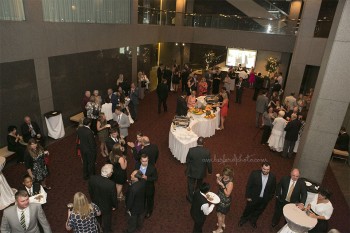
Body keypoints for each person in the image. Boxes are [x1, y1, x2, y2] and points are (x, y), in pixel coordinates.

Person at [239, 162, 276, 229]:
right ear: (261, 168)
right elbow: (249, 185)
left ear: (270, 169)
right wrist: (248, 196)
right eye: (264, 169)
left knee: (259, 211)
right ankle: (243, 219)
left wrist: (268, 199)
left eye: (268, 169)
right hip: (253, 197)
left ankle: (253, 220)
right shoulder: (254, 174)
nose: (266, 171)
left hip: (264, 199)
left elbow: (273, 189)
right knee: (248, 209)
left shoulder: (272, 177)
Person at [88, 164, 117, 233]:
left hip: (95, 203)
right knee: (107, 220)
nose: (112, 172)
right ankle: (107, 231)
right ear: (109, 174)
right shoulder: (111, 184)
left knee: (97, 218)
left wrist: (93, 200)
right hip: (106, 206)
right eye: (112, 172)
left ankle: (98, 228)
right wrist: (114, 205)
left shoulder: (92, 178)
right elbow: (113, 197)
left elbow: (90, 191)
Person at [186, 137, 212, 203]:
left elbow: (187, 161)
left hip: (192, 171)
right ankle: (197, 196)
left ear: (197, 142)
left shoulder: (191, 150)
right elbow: (209, 163)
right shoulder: (207, 152)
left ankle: (190, 198)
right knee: (199, 185)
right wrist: (210, 171)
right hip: (201, 172)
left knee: (191, 185)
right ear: (204, 143)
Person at [213, 167, 234, 233]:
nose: (224, 176)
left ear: (229, 175)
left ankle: (219, 229)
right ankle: (222, 223)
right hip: (220, 197)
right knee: (223, 214)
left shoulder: (230, 183)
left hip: (224, 200)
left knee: (219, 214)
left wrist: (223, 186)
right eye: (224, 174)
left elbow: (227, 194)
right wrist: (218, 178)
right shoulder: (222, 177)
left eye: (226, 175)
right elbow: (217, 182)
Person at [139, 154, 158, 218]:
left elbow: (155, 178)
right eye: (143, 161)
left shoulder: (152, 168)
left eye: (146, 161)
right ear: (140, 160)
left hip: (149, 187)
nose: (144, 163)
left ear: (148, 160)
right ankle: (142, 208)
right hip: (140, 187)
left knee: (150, 200)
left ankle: (149, 211)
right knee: (141, 198)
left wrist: (147, 178)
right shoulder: (137, 166)